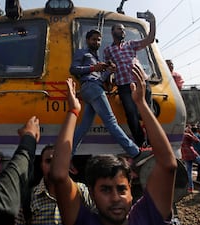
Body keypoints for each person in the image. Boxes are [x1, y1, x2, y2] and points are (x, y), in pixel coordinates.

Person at [50, 64, 177, 225]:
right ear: (91, 194)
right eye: (105, 190)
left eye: (122, 189)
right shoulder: (84, 221)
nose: (116, 198)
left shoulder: (146, 216)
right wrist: (73, 111)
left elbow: (168, 165)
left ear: (131, 190)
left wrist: (141, 104)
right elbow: (59, 175)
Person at [70, 29, 143, 163]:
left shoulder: (97, 58)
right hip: (91, 87)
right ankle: (135, 152)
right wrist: (93, 68)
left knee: (84, 127)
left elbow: (99, 78)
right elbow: (73, 69)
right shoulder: (82, 52)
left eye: (99, 40)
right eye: (94, 39)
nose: (97, 42)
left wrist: (109, 71)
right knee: (111, 122)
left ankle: (67, 156)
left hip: (93, 87)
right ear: (87, 40)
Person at [103, 11, 156, 147]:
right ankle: (141, 144)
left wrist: (152, 22)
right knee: (131, 114)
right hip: (123, 85)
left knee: (148, 112)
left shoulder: (131, 44)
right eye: (120, 29)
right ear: (112, 32)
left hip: (140, 82)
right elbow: (107, 68)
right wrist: (109, 73)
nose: (123, 31)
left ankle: (153, 140)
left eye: (123, 30)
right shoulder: (108, 50)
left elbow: (149, 40)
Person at [15, 144, 93, 225]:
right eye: (48, 161)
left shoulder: (81, 192)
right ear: (42, 165)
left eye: (58, 161)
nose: (54, 166)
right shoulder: (28, 198)